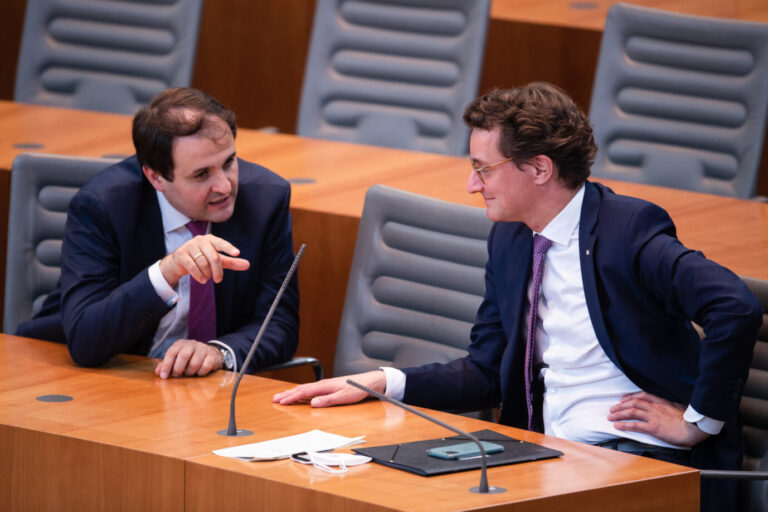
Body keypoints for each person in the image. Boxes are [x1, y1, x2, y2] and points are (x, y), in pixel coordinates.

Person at [273, 83, 761, 511]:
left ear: (540, 169)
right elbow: (488, 369)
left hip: (635, 453)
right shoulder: (511, 237)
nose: (471, 185)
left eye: (483, 169)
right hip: (546, 450)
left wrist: (698, 421)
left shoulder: (627, 229)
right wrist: (381, 382)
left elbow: (734, 306)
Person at [17, 87, 300, 379]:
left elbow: (280, 323)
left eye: (228, 162)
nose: (225, 186)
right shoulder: (103, 207)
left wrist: (218, 351)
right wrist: (167, 272)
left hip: (198, 390)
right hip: (99, 375)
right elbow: (86, 340)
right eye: (202, 174)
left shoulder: (266, 201)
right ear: (155, 177)